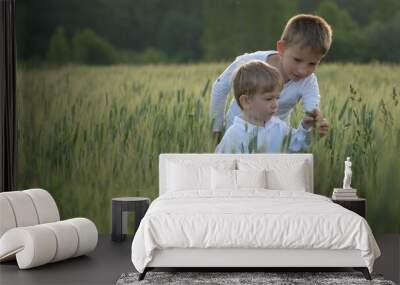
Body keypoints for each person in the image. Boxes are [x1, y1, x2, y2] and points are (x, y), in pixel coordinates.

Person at [210, 14, 331, 142]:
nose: (302, 70)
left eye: (312, 64)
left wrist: (315, 122)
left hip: (274, 140)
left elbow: (312, 109)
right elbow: (220, 87)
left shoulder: (309, 82)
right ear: (281, 49)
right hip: (236, 134)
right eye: (297, 60)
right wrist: (216, 129)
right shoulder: (250, 62)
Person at [215, 60, 315, 154]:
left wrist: (305, 128)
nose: (275, 104)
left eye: (277, 98)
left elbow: (297, 147)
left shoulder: (278, 126)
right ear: (246, 101)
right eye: (268, 99)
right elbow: (223, 167)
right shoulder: (234, 135)